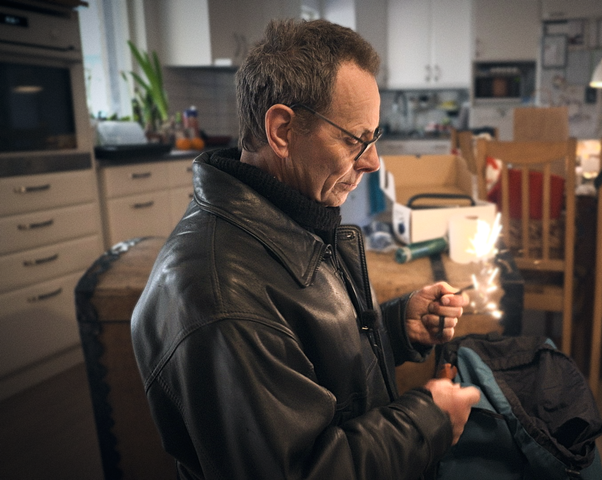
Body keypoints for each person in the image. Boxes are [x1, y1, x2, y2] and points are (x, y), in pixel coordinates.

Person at [131, 18, 481, 480]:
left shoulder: (289, 216)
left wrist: (396, 329)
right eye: (355, 139)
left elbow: (305, 362)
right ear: (281, 131)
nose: (373, 161)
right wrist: (428, 421)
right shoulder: (222, 298)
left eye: (373, 138)